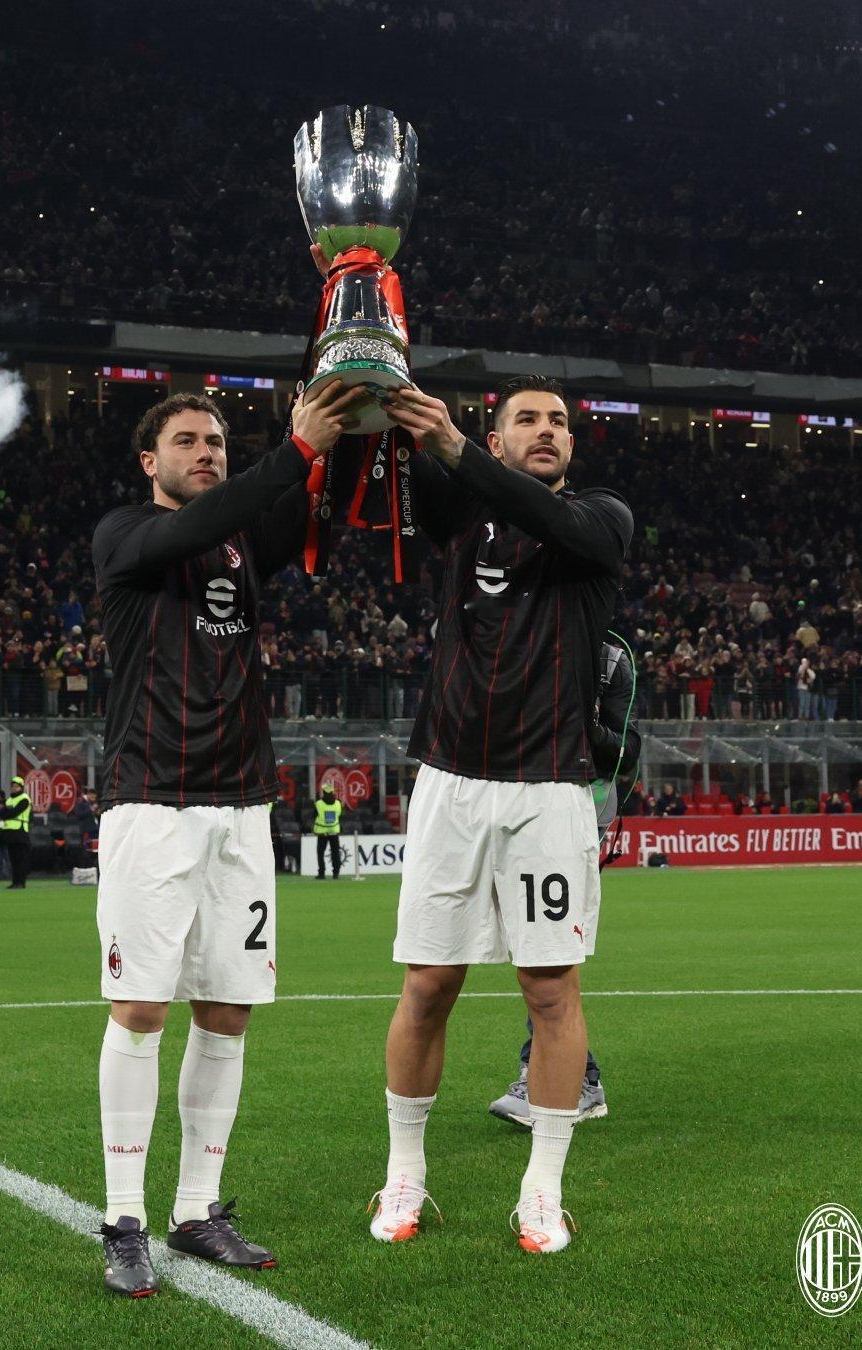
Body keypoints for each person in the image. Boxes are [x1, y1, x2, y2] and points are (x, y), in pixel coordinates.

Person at [91, 383, 360, 1295]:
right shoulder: (126, 536)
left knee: (229, 1010)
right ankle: (124, 1219)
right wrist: (289, 450)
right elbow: (202, 522)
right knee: (140, 1010)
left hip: (242, 807)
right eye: (188, 441)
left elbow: (321, 496)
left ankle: (195, 1211)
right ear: (149, 460)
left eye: (215, 440)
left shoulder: (246, 539)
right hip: (152, 806)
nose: (206, 452)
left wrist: (352, 396)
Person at [364, 373, 632, 1255]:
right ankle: (405, 1174)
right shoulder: (459, 513)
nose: (547, 430)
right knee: (429, 985)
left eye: (559, 420)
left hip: (552, 788)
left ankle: (542, 1191)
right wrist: (378, 376)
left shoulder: (602, 520)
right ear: (498, 431)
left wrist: (458, 447)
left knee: (550, 990)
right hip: (451, 781)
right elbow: (398, 471)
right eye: (527, 418)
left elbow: (551, 519)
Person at [489, 637, 641, 1129]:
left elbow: (625, 748)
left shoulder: (610, 657)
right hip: (520, 797)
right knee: (534, 947)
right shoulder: (523, 632)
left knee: (546, 950)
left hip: (580, 806)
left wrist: (577, 727)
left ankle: (566, 1080)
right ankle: (569, 1076)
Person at [0, 774, 32, 888]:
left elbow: (14, 812)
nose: (14, 788)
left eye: (17, 786)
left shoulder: (24, 799)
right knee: (12, 859)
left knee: (20, 858)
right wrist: (6, 813)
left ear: (21, 787)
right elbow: (0, 814)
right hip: (9, 832)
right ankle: (15, 882)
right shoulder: (9, 800)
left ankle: (21, 882)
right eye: (13, 786)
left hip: (20, 831)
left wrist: (6, 813)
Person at [313, 780, 344, 879]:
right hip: (334, 831)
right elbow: (339, 815)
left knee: (320, 853)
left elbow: (314, 816)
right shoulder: (338, 803)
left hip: (322, 832)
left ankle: (321, 873)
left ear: (323, 792)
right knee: (335, 853)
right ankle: (336, 873)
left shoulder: (319, 804)